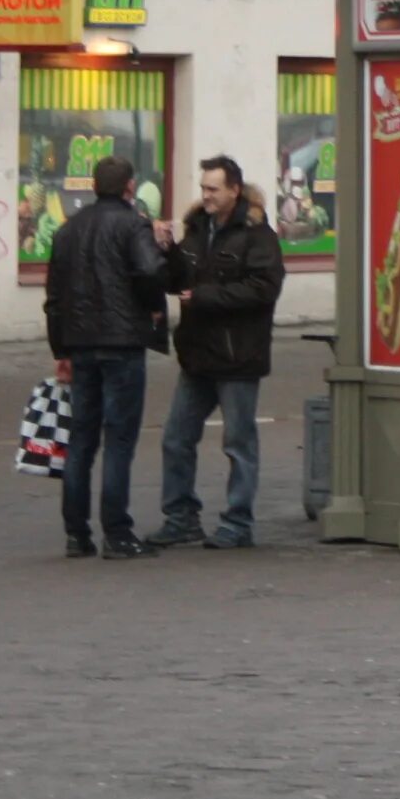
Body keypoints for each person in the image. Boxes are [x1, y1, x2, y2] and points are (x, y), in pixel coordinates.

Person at [153, 156, 286, 550]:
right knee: (176, 438)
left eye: (213, 189)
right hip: (196, 354)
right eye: (203, 188)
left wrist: (207, 296)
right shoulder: (196, 229)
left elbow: (265, 289)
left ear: (234, 190)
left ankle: (237, 522)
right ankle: (180, 518)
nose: (206, 196)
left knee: (238, 442)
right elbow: (177, 280)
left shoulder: (258, 235)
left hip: (237, 356)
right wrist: (167, 251)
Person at [43, 156, 170, 558]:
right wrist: (152, 307)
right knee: (119, 439)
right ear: (130, 187)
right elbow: (151, 272)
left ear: (94, 185)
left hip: (81, 345)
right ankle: (117, 532)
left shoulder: (68, 230)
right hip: (122, 343)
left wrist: (60, 350)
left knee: (81, 439)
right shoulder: (134, 225)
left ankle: (76, 533)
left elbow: (54, 299)